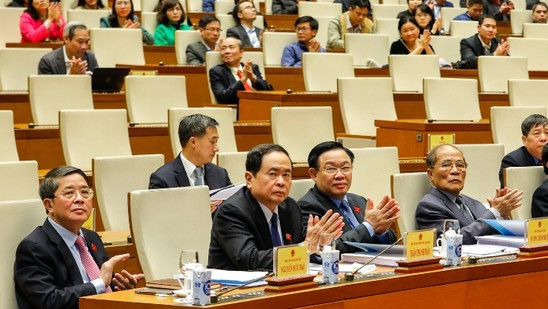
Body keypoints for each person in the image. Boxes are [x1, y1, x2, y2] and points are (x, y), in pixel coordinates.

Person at [14, 166, 143, 309]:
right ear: (49, 204)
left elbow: (103, 289)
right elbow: (49, 302)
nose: (80, 199)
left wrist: (120, 288)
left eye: (85, 192)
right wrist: (99, 283)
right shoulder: (34, 247)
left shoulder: (91, 238)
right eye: (69, 193)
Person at [208, 144, 344, 271]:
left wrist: (320, 245)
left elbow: (305, 248)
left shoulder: (290, 207)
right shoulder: (232, 211)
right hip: (235, 287)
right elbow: (249, 260)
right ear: (249, 179)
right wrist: (305, 248)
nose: (281, 182)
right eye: (273, 174)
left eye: (286, 175)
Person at [298, 142, 399, 254]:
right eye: (330, 169)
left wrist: (381, 232)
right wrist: (369, 226)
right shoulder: (307, 206)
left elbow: (392, 243)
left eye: (345, 168)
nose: (340, 175)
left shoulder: (359, 200)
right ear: (314, 174)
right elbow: (324, 250)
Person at [415, 144, 523, 244]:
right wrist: (495, 212)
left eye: (460, 165)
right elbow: (450, 241)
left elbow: (487, 231)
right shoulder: (429, 206)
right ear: (431, 174)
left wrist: (502, 216)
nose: (455, 171)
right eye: (446, 165)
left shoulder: (472, 202)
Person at [149, 114, 232, 192]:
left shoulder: (221, 174)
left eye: (216, 142)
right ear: (193, 142)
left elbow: (232, 201)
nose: (216, 149)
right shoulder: (162, 179)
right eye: (212, 141)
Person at [209, 36, 272, 104]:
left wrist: (253, 77)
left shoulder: (252, 68)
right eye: (223, 48)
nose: (227, 51)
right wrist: (243, 79)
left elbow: (270, 92)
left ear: (241, 52)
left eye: (231, 47)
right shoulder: (217, 72)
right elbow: (223, 98)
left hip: (261, 105)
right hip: (240, 107)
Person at [499, 114, 548, 187]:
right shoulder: (512, 162)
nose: (543, 138)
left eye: (547, 133)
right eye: (536, 133)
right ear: (524, 140)